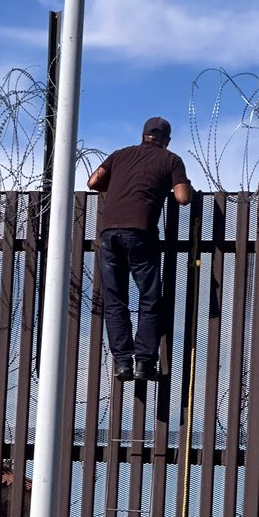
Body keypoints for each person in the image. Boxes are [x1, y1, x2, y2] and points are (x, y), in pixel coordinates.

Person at [87, 117, 192, 381]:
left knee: (115, 299)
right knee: (149, 298)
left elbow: (93, 182)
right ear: (166, 140)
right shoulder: (171, 160)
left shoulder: (120, 155)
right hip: (140, 233)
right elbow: (183, 198)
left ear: (143, 135)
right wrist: (176, 183)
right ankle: (144, 362)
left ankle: (123, 362)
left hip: (109, 234)